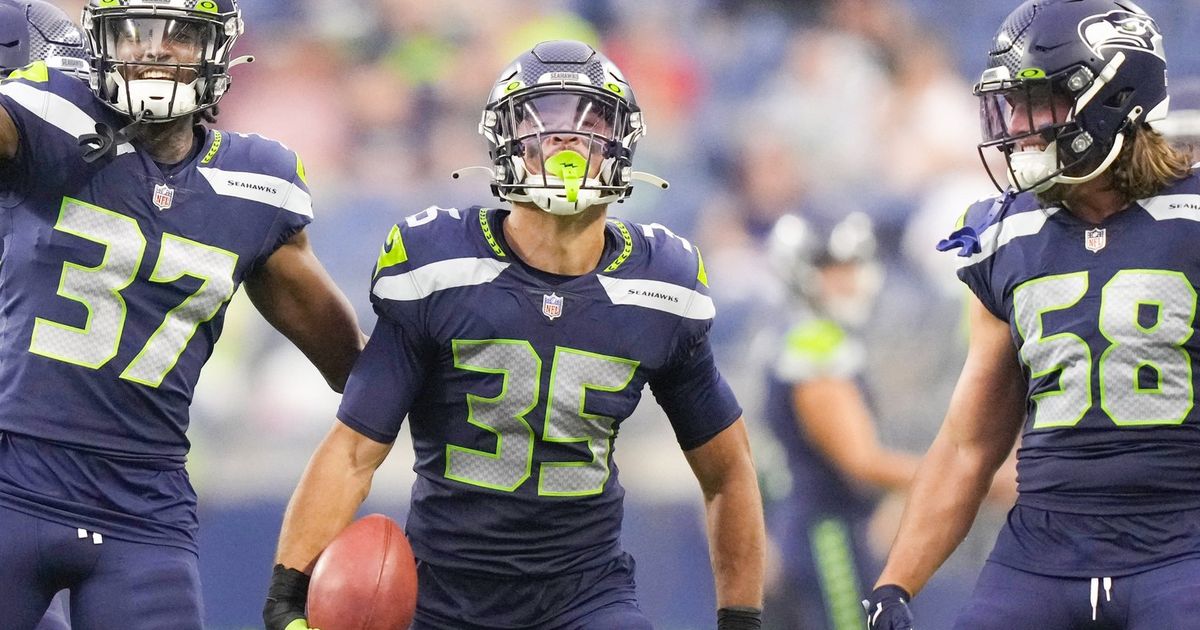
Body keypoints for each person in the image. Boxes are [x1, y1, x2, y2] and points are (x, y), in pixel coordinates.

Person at [263, 40, 766, 630]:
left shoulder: (662, 282)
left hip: (585, 597)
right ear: (506, 142)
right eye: (543, 124)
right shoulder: (437, 266)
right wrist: (287, 593)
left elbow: (727, 472)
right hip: (440, 595)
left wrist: (742, 619)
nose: (569, 141)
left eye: (591, 123)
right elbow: (353, 451)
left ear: (622, 144)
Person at [0, 0, 364, 627]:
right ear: (100, 42)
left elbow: (351, 368)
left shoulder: (258, 184)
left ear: (218, 51)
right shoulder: (44, 113)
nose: (156, 49)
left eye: (181, 35)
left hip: (146, 507)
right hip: (13, 479)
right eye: (136, 33)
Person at [862, 1, 1200, 628]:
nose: (1016, 124)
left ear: (1111, 96)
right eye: (1010, 104)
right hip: (1042, 553)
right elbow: (970, 443)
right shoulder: (1007, 235)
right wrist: (895, 584)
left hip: (1183, 545)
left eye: (1035, 101)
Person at [757, 211, 920, 630]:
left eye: (849, 267)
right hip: (825, 533)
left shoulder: (810, 336)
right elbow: (860, 460)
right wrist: (960, 476)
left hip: (819, 527)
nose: (845, 281)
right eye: (830, 269)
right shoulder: (815, 343)